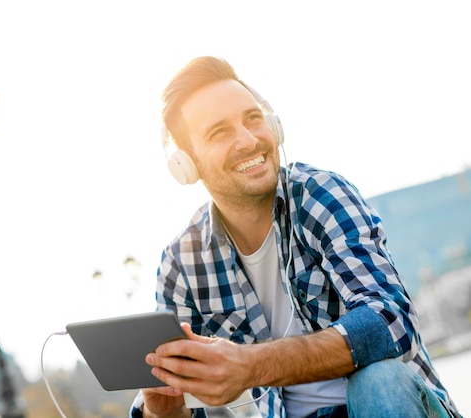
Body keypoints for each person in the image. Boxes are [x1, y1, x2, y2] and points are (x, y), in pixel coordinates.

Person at [130, 56, 461, 418]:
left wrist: (250, 365)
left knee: (377, 380)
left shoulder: (321, 195)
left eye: (252, 118)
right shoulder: (182, 263)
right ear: (186, 164)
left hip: (385, 405)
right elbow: (179, 402)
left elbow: (389, 321)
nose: (248, 140)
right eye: (220, 132)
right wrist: (161, 411)